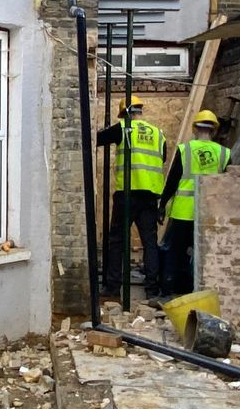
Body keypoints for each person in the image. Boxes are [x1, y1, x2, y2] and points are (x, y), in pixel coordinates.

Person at [156, 110, 231, 298]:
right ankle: (197, 290)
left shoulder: (185, 150)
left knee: (174, 251)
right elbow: (230, 183)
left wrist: (162, 204)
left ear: (194, 128)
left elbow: (172, 181)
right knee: (202, 253)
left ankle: (168, 291)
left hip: (183, 211)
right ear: (213, 130)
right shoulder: (224, 153)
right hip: (209, 213)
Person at [96, 96, 164, 294]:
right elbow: (163, 157)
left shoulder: (124, 128)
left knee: (117, 241)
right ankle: (152, 288)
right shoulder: (158, 133)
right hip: (150, 195)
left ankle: (113, 287)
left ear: (125, 113)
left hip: (128, 192)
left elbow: (97, 139)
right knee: (150, 243)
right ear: (140, 111)